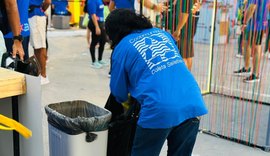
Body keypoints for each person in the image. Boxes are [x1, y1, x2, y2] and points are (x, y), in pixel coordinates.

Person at [105, 9, 208, 156]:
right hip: (192, 101)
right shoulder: (162, 34)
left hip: (159, 108)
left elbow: (119, 93)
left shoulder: (122, 48)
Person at [234, 0, 269, 83]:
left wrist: (245, 22)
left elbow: (252, 7)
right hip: (255, 22)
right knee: (247, 43)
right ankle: (247, 68)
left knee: (257, 46)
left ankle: (255, 74)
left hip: (257, 23)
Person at [172, 0, 201, 71]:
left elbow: (185, 13)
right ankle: (187, 77)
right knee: (187, 55)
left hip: (185, 27)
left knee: (183, 55)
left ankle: (184, 77)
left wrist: (178, 29)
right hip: (188, 26)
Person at [28, 0, 51, 85]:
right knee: (36, 46)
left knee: (40, 47)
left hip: (36, 15)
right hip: (33, 14)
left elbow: (48, 1)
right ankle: (40, 73)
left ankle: (43, 75)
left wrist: (40, 9)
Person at [87, 0, 108, 69]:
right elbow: (93, 14)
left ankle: (100, 59)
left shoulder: (99, 0)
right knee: (94, 42)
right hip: (95, 23)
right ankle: (93, 61)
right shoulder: (91, 1)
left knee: (103, 41)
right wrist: (96, 26)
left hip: (101, 22)